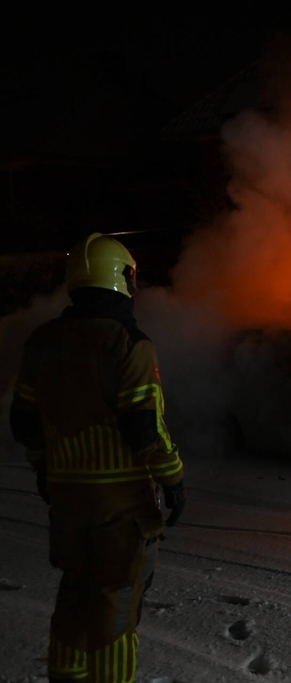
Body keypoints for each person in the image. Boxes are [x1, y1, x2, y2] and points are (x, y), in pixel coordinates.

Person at [9, 233, 186, 682]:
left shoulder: (43, 342)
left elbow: (24, 423)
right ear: (125, 279)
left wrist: (47, 467)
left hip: (68, 502)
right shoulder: (129, 343)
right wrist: (173, 477)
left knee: (73, 595)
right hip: (121, 506)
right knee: (115, 606)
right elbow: (146, 427)